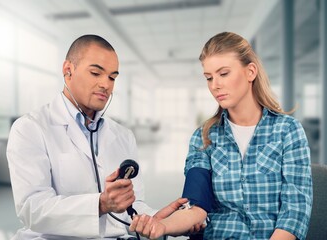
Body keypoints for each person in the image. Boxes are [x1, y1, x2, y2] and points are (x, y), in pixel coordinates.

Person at [129, 31, 313, 240]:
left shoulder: (288, 130)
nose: (215, 85)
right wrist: (161, 226)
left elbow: (295, 213)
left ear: (250, 72)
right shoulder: (204, 137)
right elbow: (196, 208)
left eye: (223, 74)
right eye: (209, 78)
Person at [6, 34, 188, 239]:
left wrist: (156, 218)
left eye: (112, 77)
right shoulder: (30, 128)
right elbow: (33, 209)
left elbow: (131, 204)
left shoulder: (123, 135)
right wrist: (100, 204)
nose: (106, 85)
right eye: (96, 73)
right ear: (68, 70)